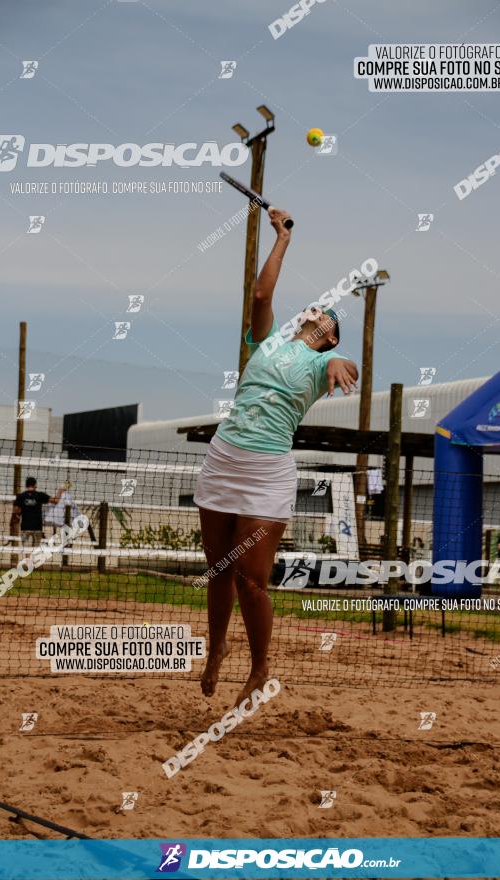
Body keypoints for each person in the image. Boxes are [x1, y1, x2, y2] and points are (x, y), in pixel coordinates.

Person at [194, 207, 359, 706]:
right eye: (314, 307)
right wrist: (282, 237)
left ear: (327, 333)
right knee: (218, 568)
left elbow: (346, 362)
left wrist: (335, 360)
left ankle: (261, 665)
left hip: (267, 471)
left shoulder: (322, 359)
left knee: (252, 578)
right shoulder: (263, 342)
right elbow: (263, 294)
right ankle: (218, 644)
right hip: (224, 458)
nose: (316, 309)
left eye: (325, 315)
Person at [13, 477, 64, 550]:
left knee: (27, 550)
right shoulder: (40, 495)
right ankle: (31, 561)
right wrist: (60, 490)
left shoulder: (21, 496)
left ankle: (28, 561)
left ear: (26, 485)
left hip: (25, 527)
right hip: (37, 527)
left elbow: (16, 511)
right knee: (35, 550)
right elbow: (55, 501)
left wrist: (20, 512)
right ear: (35, 485)